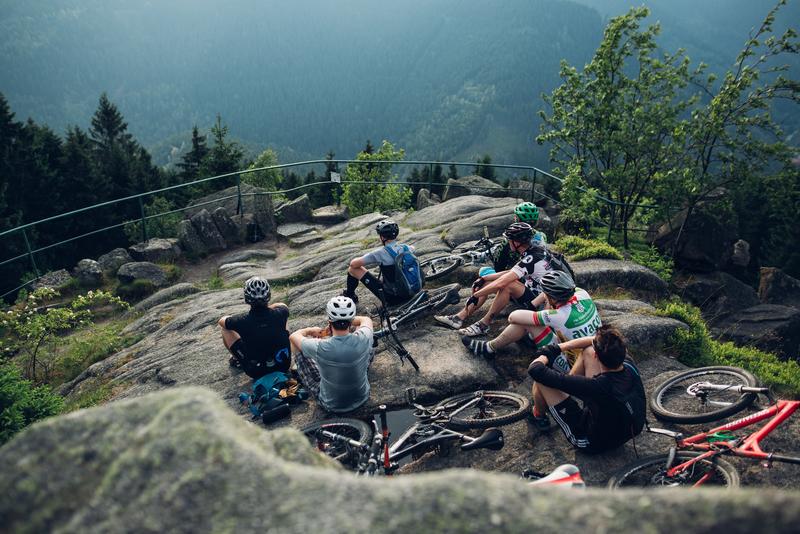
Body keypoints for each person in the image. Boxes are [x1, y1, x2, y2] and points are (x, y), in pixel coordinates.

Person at [462, 270, 601, 428]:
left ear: (552, 297)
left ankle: (489, 348)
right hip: (593, 357)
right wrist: (543, 300)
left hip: (574, 367)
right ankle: (489, 347)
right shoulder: (583, 295)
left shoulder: (559, 315)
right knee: (532, 322)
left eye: (546, 293)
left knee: (525, 323)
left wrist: (543, 307)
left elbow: (513, 317)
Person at [526, 326, 646, 454]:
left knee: (543, 381)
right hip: (627, 430)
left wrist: (544, 355)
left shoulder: (597, 386)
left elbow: (535, 370)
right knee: (587, 350)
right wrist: (558, 347)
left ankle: (539, 416)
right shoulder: (628, 364)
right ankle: (567, 386)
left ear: (596, 356)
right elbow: (592, 342)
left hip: (593, 442)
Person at [434, 222, 552, 336]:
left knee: (507, 285)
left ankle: (483, 325)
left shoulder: (531, 257)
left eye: (509, 240)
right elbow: (512, 272)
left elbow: (502, 282)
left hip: (541, 302)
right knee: (490, 281)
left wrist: (476, 295)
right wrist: (484, 278)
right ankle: (458, 318)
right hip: (534, 292)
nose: (508, 242)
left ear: (516, 242)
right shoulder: (534, 251)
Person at [289, 296, 375, 413]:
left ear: (330, 322)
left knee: (296, 346)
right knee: (368, 347)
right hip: (362, 398)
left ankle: (299, 369)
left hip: (331, 405)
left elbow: (293, 336)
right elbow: (365, 320)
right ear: (350, 321)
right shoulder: (363, 337)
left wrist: (310, 330)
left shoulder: (321, 346)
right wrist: (348, 318)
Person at [218, 276, 291, 379]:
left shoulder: (241, 320)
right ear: (268, 295)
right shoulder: (280, 313)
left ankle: (236, 359)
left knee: (225, 329)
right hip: (283, 365)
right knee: (284, 320)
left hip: (256, 371)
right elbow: (283, 305)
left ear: (247, 298)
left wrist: (235, 319)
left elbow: (221, 321)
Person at [342, 219, 418, 306]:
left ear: (382, 237)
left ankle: (350, 295)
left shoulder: (380, 253)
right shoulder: (407, 248)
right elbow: (413, 247)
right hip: (412, 291)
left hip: (393, 298)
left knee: (352, 269)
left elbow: (353, 264)